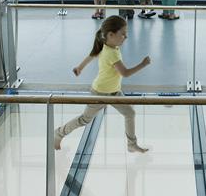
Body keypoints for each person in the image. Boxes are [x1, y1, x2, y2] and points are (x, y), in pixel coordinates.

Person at [54, 16, 151, 153]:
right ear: (111, 35)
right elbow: (125, 73)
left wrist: (80, 67)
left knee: (129, 113)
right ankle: (58, 133)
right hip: (99, 93)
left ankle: (131, 144)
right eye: (123, 34)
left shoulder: (108, 45)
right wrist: (143, 64)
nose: (126, 37)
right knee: (84, 120)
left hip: (114, 92)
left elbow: (92, 55)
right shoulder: (112, 53)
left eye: (126, 33)